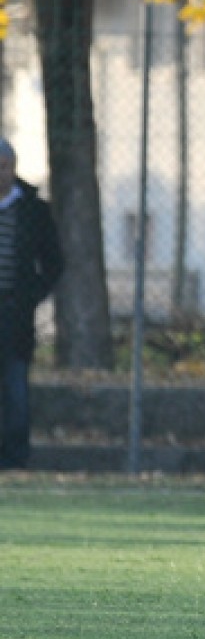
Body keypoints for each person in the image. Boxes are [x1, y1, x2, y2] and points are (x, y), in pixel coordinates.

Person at [0, 139, 63, 470]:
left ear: (13, 167)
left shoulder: (33, 211)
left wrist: (29, 298)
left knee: (14, 384)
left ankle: (14, 458)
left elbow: (53, 263)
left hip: (13, 313)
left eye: (3, 166)